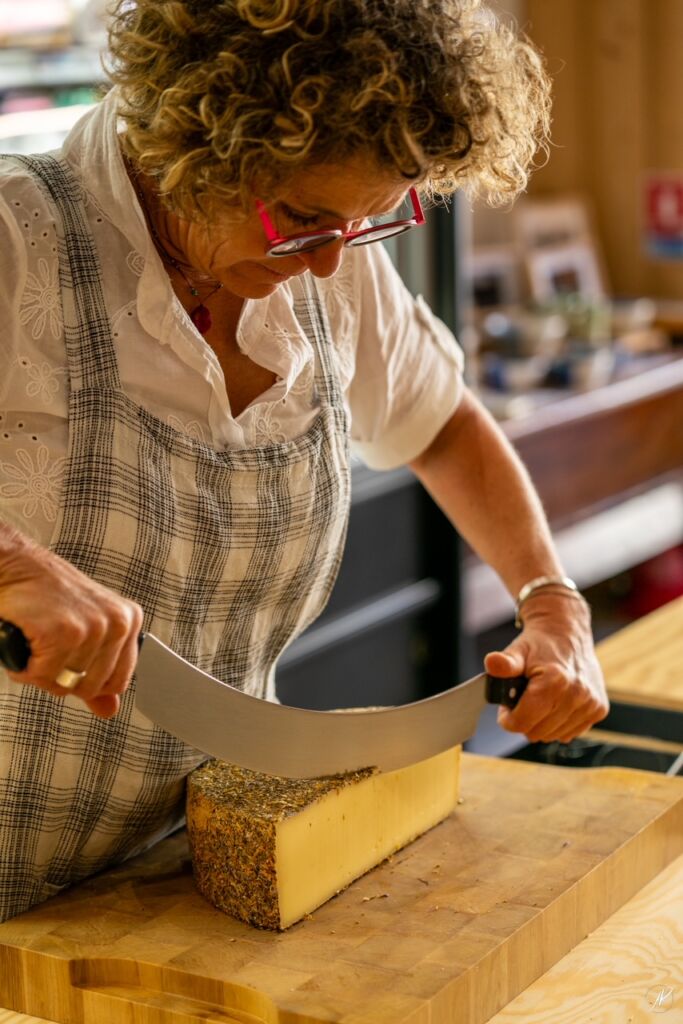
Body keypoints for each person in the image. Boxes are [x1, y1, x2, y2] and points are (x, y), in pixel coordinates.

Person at [0, 0, 608, 922]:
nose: (328, 264)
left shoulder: (331, 255)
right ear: (191, 140)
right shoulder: (20, 239)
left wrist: (552, 602)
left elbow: (441, 424)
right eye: (299, 219)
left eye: (371, 222)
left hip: (190, 878)